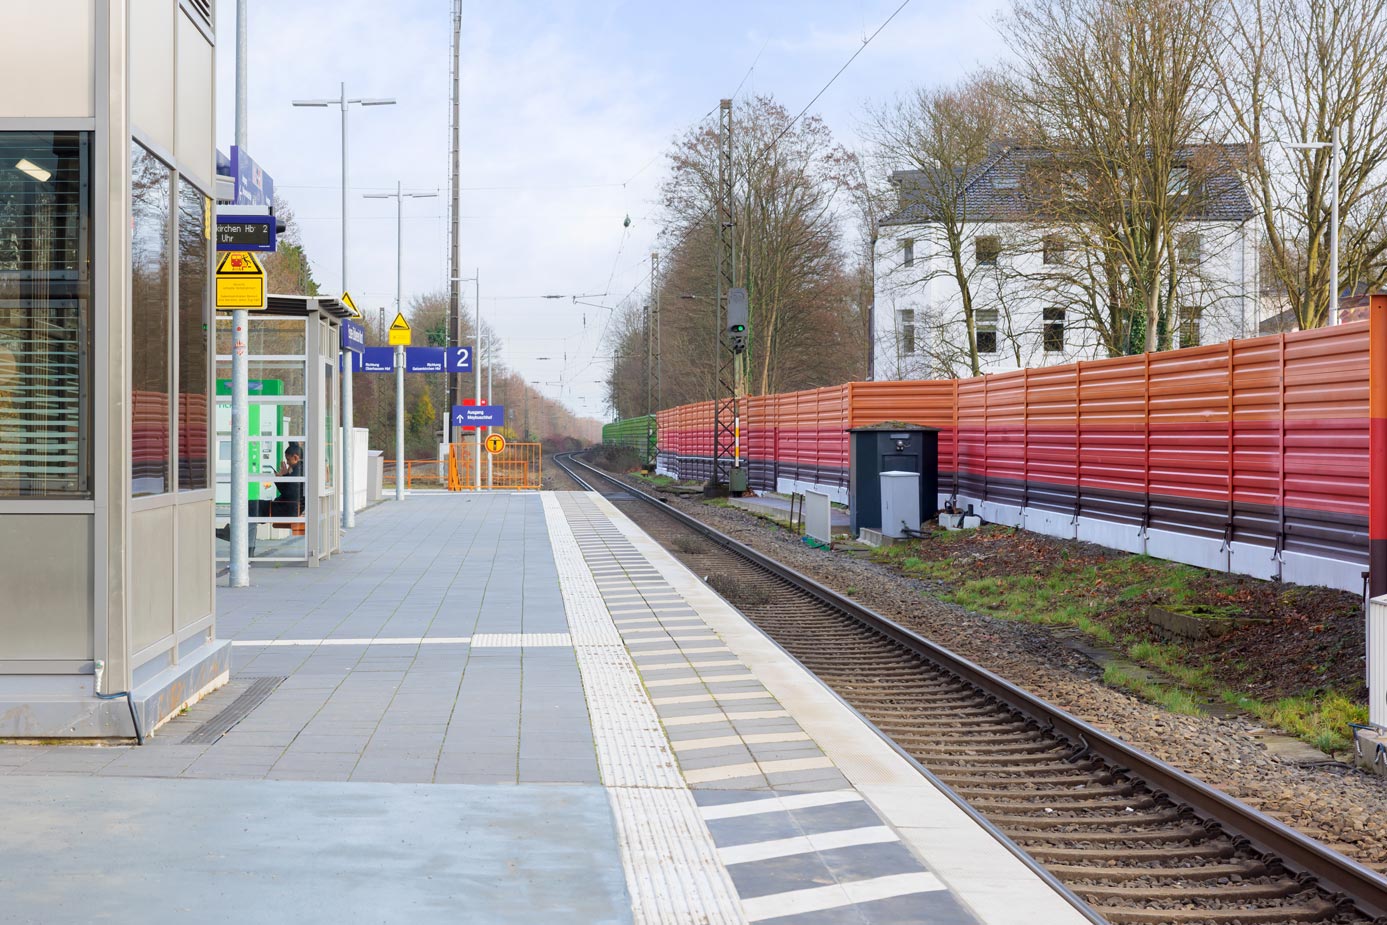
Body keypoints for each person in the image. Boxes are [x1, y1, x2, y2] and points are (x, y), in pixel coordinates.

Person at [216, 442, 305, 554]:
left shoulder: (297, 470)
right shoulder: (300, 469)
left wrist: (281, 478)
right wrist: (284, 476)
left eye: (288, 460)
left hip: (286, 508)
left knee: (251, 507)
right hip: (287, 506)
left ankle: (234, 535)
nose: (287, 463)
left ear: (296, 457)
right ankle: (246, 547)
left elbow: (290, 493)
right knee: (252, 512)